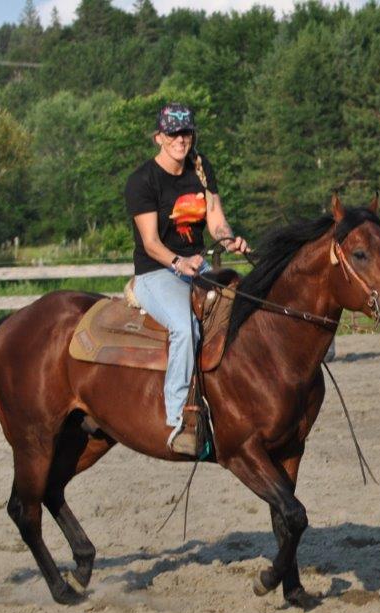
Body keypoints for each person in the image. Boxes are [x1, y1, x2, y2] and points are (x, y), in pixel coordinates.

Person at [124, 103, 249, 457]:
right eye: (174, 133)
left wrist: (229, 239)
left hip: (197, 268)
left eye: (187, 132)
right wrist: (179, 261)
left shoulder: (201, 167)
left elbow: (216, 219)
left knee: (239, 309)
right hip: (156, 272)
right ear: (159, 138)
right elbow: (150, 243)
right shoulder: (142, 181)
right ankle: (179, 415)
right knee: (185, 327)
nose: (181, 139)